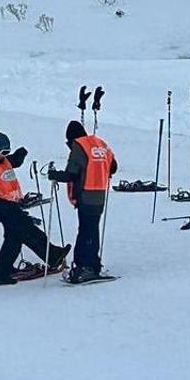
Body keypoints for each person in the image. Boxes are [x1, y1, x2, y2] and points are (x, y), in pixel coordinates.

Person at [0, 132, 70, 285]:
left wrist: (18, 156)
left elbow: (8, 163)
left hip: (6, 203)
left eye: (6, 153)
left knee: (15, 235)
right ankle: (52, 254)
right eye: (3, 153)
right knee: (24, 225)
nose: (4, 156)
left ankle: (0, 272)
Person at [47, 121, 117, 283]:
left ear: (71, 139)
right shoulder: (100, 144)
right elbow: (113, 166)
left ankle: (83, 267)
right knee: (92, 230)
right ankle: (93, 265)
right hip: (99, 195)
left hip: (86, 195)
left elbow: (71, 174)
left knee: (85, 231)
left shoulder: (79, 146)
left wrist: (54, 175)